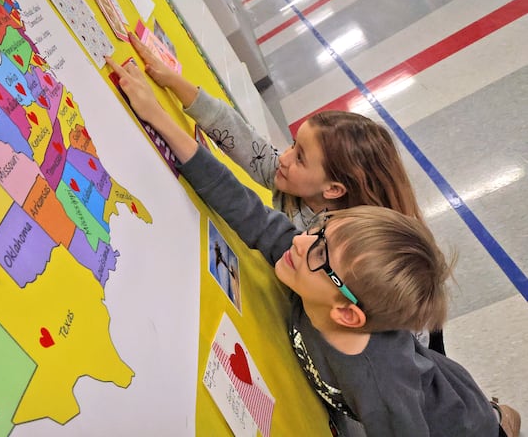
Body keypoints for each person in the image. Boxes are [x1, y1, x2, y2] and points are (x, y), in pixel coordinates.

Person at [105, 46, 521, 437]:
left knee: (490, 423)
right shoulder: (324, 268)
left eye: (318, 250)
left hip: (456, 424)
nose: (301, 242)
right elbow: (247, 210)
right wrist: (159, 117)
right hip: (425, 378)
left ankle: (499, 419)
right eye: (319, 231)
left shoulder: (380, 383)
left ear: (347, 314)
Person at [110, 33, 449, 354]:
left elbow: (252, 214)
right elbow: (244, 140)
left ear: (333, 190)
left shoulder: (333, 247)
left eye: (300, 158)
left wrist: (157, 115)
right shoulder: (304, 185)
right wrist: (172, 81)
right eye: (292, 145)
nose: (284, 159)